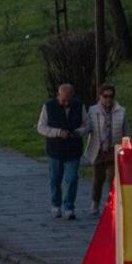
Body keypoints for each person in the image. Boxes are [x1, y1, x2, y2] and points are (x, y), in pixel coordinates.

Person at [37, 83, 88, 219]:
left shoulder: (79, 105)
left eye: (69, 100)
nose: (66, 103)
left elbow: (87, 124)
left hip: (73, 148)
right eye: (63, 100)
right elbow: (41, 127)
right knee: (55, 179)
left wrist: (78, 132)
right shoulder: (48, 106)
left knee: (72, 179)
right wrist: (58, 132)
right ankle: (56, 204)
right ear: (58, 96)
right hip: (55, 149)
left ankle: (69, 207)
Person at [83, 83, 128, 216]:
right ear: (100, 97)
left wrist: (127, 146)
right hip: (98, 150)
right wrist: (79, 131)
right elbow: (87, 126)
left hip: (113, 150)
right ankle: (95, 203)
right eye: (105, 96)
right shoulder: (92, 110)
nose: (108, 99)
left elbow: (126, 131)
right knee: (98, 179)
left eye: (111, 96)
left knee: (113, 178)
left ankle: (112, 203)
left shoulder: (121, 111)